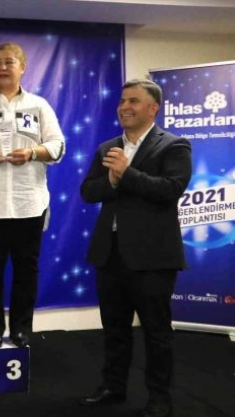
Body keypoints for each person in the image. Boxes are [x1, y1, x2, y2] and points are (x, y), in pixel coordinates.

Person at [79, 79, 192, 417]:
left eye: (133, 101)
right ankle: (113, 387)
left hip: (152, 257)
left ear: (153, 108)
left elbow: (170, 189)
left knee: (156, 333)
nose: (124, 107)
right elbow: (88, 191)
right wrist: (111, 181)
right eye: (122, 101)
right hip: (110, 253)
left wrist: (125, 175)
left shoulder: (174, 145)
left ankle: (159, 399)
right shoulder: (108, 147)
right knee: (114, 330)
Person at [0, 43, 65, 349]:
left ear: (23, 67)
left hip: (28, 202)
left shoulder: (39, 105)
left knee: (26, 269)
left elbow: (58, 145)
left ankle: (21, 329)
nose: (3, 67)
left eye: (9, 62)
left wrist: (33, 152)